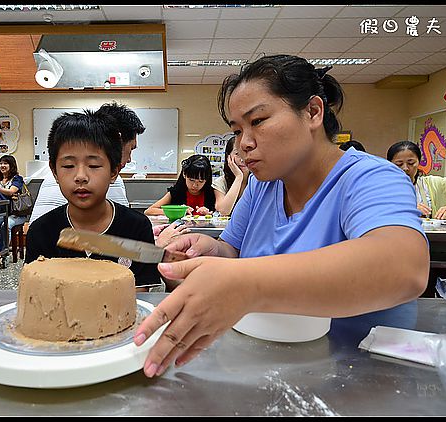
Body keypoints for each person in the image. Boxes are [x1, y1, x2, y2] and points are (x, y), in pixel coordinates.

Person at [132, 54, 428, 378]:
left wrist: (247, 283)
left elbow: (403, 268)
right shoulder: (263, 185)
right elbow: (232, 250)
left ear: (313, 112)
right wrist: (208, 250)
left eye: (257, 121)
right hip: (267, 362)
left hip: (359, 372)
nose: (244, 143)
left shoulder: (370, 178)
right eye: (237, 129)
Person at [25, 109, 162, 291]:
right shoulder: (42, 230)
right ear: (54, 171)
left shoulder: (136, 227)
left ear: (114, 171)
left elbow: (139, 294)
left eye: (94, 165)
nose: (81, 176)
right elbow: (37, 293)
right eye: (68, 165)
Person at [29, 101, 145, 224]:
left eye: (93, 166)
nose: (129, 159)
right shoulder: (108, 181)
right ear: (117, 139)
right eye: (131, 149)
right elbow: (122, 227)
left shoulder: (58, 174)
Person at [387, 140, 446, 220]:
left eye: (411, 163)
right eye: (399, 164)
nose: (405, 168)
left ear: (419, 162)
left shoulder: (434, 183)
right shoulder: (382, 188)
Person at [144, 154, 217, 217]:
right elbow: (149, 211)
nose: (195, 185)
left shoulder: (212, 193)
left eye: (201, 181)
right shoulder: (176, 192)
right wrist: (177, 212)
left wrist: (211, 214)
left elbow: (221, 214)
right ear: (184, 174)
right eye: (191, 180)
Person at [213, 136, 250, 216]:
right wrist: (239, 177)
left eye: (246, 152)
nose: (242, 159)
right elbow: (224, 211)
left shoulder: (259, 180)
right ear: (228, 157)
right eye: (237, 154)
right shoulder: (220, 182)